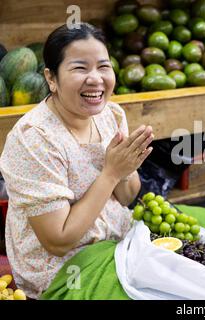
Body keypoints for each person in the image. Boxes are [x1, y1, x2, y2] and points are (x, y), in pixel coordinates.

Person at [0, 23, 154, 299]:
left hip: (117, 240)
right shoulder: (33, 139)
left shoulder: (111, 115)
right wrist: (110, 173)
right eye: (80, 68)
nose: (95, 79)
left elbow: (128, 196)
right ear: (51, 79)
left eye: (103, 67)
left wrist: (125, 169)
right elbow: (58, 241)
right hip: (65, 268)